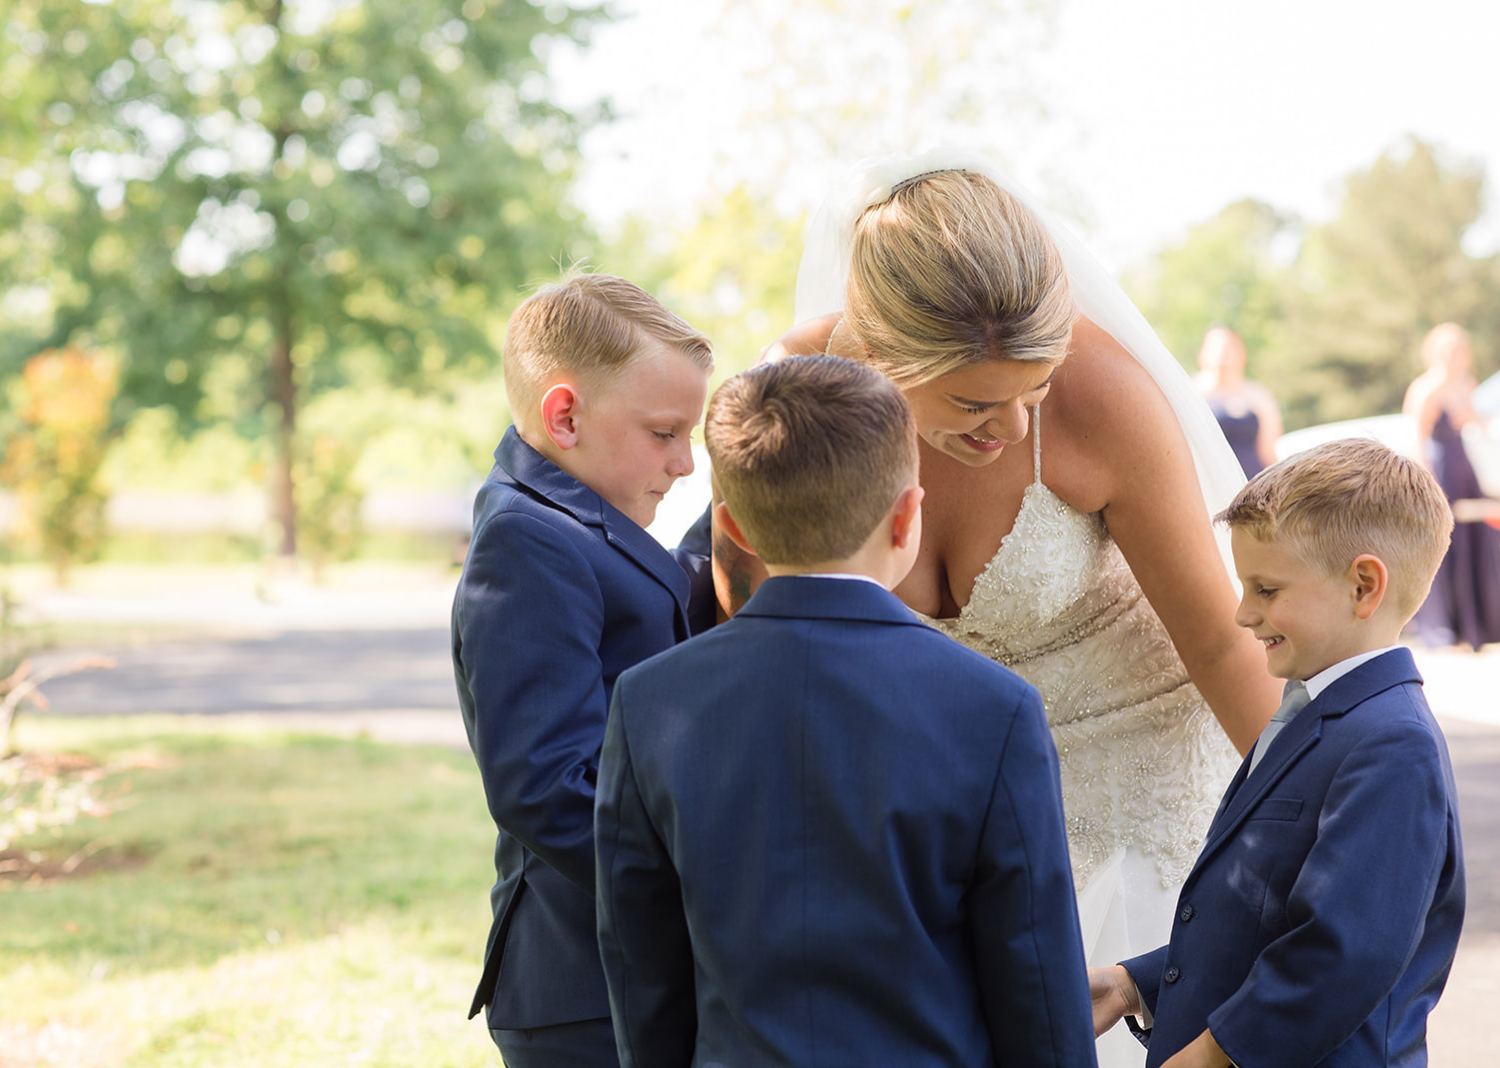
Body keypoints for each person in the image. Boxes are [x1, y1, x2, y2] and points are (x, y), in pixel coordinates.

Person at [715, 151, 1283, 1065]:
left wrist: (1311, 815)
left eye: (1037, 390)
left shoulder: (1103, 399)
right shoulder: (794, 404)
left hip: (1137, 775)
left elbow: (1221, 643)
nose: (1015, 428)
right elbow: (759, 643)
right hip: (946, 806)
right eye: (976, 402)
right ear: (879, 361)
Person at [596, 355, 1098, 1067]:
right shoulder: (994, 707)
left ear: (733, 526)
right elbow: (1033, 974)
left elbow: (643, 967)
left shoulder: (649, 703)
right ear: (907, 517)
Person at [1091, 438, 1466, 1068]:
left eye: (1266, 589)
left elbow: (1342, 953)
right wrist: (1135, 983)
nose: (1242, 614)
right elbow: (1262, 914)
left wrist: (1212, 1057)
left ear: (1364, 585)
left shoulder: (1392, 744)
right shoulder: (1311, 713)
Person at [451, 272, 712, 1067]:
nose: (687, 463)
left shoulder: (573, 517)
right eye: (666, 432)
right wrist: (709, 889)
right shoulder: (526, 542)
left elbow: (663, 607)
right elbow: (545, 785)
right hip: (583, 986)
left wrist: (758, 508)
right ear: (565, 414)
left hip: (621, 975)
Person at [1404, 321, 1500, 650]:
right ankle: (1447, 626)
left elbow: (1476, 422)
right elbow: (1417, 439)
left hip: (1464, 468)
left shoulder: (1465, 385)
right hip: (1440, 469)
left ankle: (1479, 623)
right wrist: (1427, 483)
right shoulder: (1426, 388)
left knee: (1476, 540)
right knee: (1447, 542)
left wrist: (1474, 419)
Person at [1193, 325, 1282, 478]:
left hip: (1253, 482)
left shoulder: (1258, 395)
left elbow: (1268, 450)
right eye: (1218, 349)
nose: (1225, 356)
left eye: (1231, 349)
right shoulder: (1193, 393)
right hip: (1210, 481)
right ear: (1202, 354)